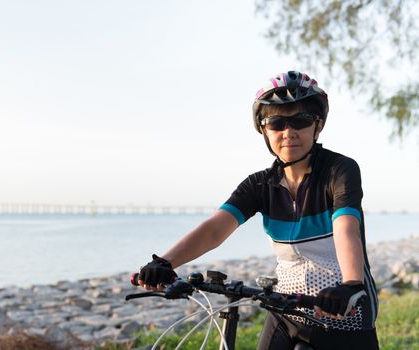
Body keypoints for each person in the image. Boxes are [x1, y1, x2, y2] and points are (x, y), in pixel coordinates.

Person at [136, 71, 379, 349]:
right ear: (264, 130)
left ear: (318, 126)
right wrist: (165, 263)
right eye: (276, 123)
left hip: (341, 309)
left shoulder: (339, 170)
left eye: (301, 121)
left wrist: (350, 284)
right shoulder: (259, 184)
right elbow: (215, 230)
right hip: (286, 309)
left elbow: (346, 228)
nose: (288, 133)